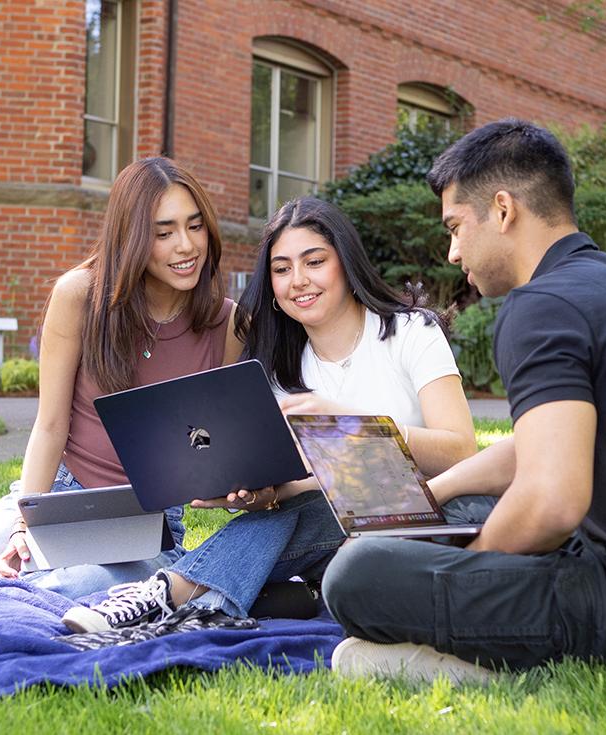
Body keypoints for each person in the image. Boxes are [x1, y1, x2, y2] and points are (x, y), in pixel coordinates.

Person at [321, 119, 606, 682]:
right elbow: (544, 444)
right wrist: (429, 496)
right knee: (458, 512)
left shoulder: (541, 307)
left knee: (357, 574)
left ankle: (474, 663)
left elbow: (552, 502)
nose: (452, 252)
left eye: (457, 227)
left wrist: (470, 571)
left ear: (503, 209)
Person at [60, 196, 479, 632]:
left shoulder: (411, 332)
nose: (298, 281)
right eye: (281, 269)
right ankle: (209, 599)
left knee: (340, 493)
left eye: (314, 261)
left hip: (423, 523)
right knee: (304, 506)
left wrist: (347, 425)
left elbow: (461, 450)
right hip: (335, 545)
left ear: (346, 264)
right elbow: (306, 484)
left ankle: (168, 592)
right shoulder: (280, 368)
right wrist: (264, 495)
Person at [0, 157, 242, 599]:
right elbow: (50, 425)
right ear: (133, 238)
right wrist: (25, 525)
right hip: (60, 498)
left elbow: (212, 447)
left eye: (195, 227)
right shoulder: (79, 296)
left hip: (146, 522)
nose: (186, 245)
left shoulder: (226, 323)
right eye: (164, 232)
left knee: (63, 589)